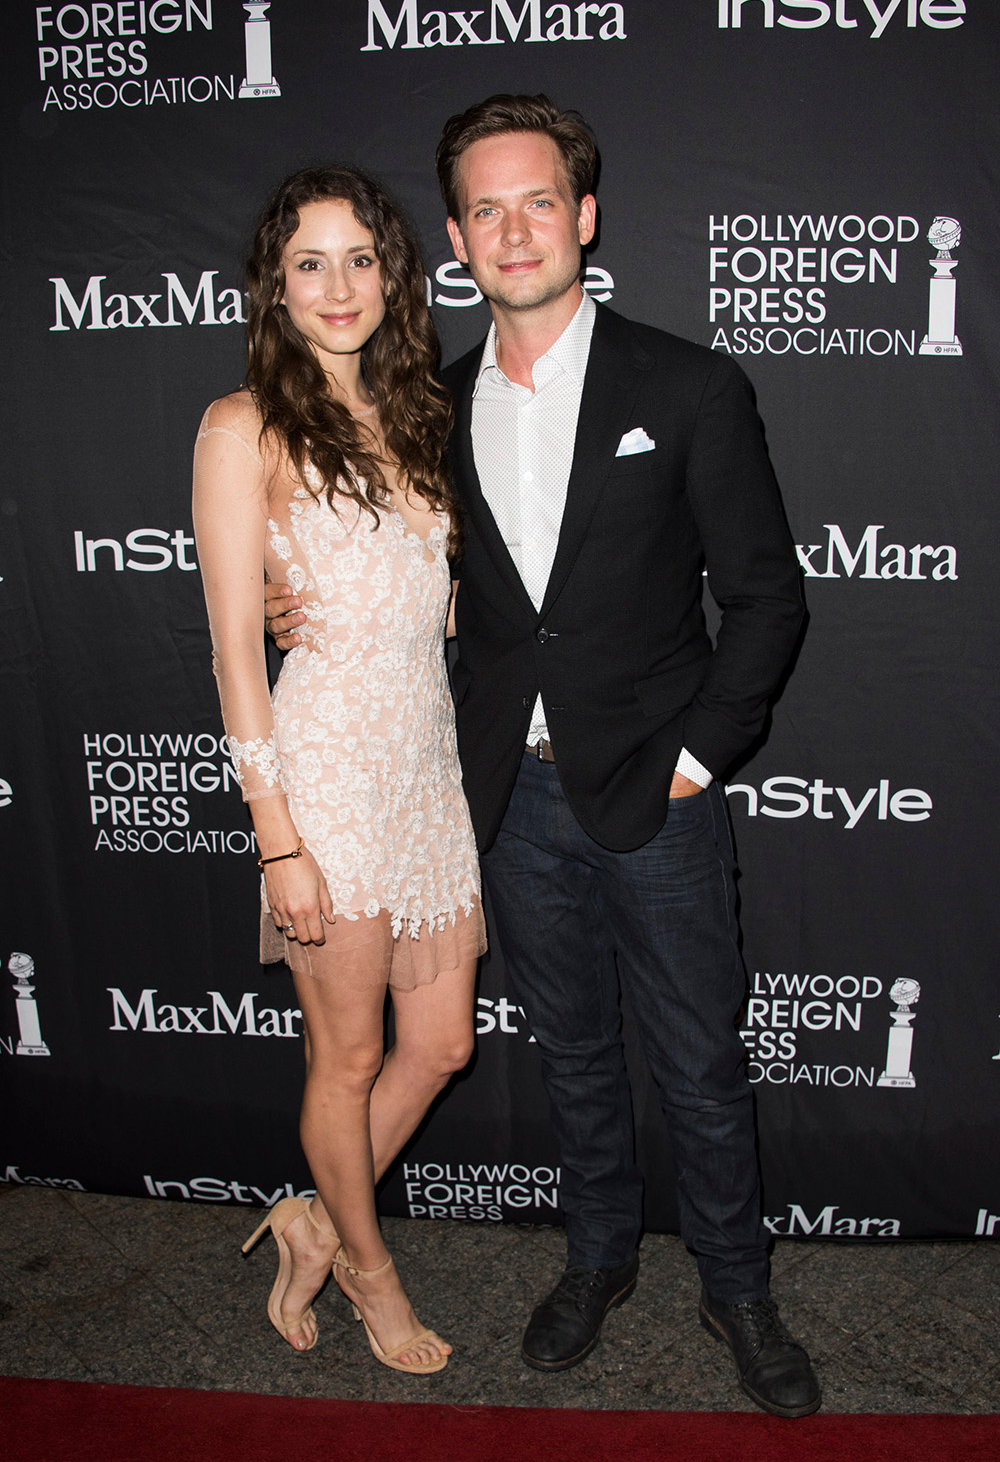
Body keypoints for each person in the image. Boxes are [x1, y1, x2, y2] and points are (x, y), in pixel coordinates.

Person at [266, 98, 819, 1418]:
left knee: (697, 1056)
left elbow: (768, 599)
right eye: (485, 209)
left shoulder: (687, 384)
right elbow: (412, 579)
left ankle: (739, 1285)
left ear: (584, 217)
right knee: (571, 1051)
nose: (514, 229)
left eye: (538, 201)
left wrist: (696, 757)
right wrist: (307, 608)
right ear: (454, 238)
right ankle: (597, 1257)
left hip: (660, 792)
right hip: (503, 802)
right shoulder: (428, 405)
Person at [193, 165, 486, 1375]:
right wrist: (278, 836)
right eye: (309, 261)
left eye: (361, 258)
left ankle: (312, 1219)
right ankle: (370, 1277)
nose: (338, 285)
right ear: (275, 282)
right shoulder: (240, 425)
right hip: (323, 782)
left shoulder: (417, 415)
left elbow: (435, 607)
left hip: (426, 770)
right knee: (349, 1057)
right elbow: (231, 657)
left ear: (394, 276)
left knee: (444, 1046)